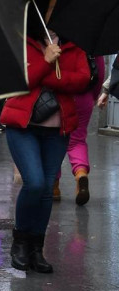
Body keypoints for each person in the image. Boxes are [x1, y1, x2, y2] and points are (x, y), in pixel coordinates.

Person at [0, 0, 91, 274]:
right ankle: (20, 241)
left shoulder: (73, 42)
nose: (58, 13)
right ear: (39, 13)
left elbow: (83, 79)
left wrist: (48, 75)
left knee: (45, 191)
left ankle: (36, 249)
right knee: (35, 183)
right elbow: (20, 80)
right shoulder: (23, 42)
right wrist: (47, 60)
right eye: (52, 9)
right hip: (22, 126)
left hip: (58, 129)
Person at [53, 54, 104, 205]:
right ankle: (81, 173)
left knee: (54, 138)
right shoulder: (90, 38)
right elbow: (99, 71)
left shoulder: (55, 38)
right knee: (77, 140)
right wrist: (94, 95)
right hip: (83, 96)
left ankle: (54, 186)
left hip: (58, 95)